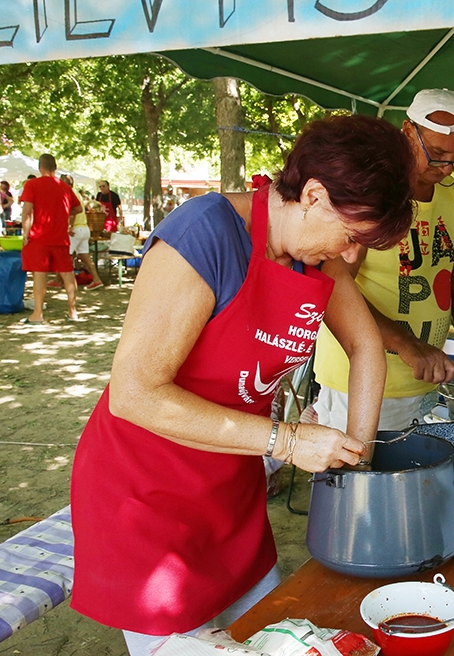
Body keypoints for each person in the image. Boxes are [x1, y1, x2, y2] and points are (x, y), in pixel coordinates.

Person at [69, 115, 415, 656]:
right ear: (314, 196)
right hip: (146, 495)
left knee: (269, 632)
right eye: (352, 237)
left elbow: (366, 346)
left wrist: (359, 458)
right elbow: (133, 394)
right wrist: (288, 440)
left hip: (230, 490)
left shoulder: (312, 250)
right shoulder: (204, 235)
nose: (352, 257)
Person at [312, 89, 454, 432]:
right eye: (437, 153)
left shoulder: (452, 193)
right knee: (358, 467)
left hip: (423, 383)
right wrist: (407, 345)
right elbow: (334, 289)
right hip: (361, 381)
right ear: (408, 131)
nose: (447, 167)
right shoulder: (373, 190)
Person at [19, 154, 82, 323]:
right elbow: (78, 209)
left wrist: (25, 234)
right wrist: (63, 214)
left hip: (39, 237)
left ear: (40, 167)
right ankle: (73, 311)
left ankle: (38, 314)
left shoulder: (32, 184)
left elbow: (27, 212)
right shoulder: (64, 187)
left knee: (39, 275)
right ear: (55, 168)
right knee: (68, 274)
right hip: (60, 237)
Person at [59, 174, 104, 290]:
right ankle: (96, 280)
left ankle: (62, 281)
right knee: (85, 257)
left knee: (65, 255)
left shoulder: (69, 193)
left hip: (75, 229)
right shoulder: (76, 193)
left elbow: (73, 211)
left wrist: (69, 226)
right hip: (84, 228)